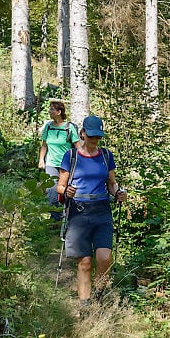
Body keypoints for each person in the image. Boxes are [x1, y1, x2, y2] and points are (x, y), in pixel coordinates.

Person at [55, 115, 126, 305]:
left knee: (105, 258)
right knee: (85, 262)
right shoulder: (71, 156)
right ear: (83, 134)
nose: (95, 139)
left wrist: (118, 192)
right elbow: (60, 186)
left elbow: (111, 183)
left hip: (102, 210)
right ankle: (85, 305)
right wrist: (67, 191)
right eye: (92, 135)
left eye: (98, 136)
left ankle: (97, 296)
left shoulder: (106, 156)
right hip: (78, 211)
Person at [37, 100, 75, 182]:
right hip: (51, 163)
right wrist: (41, 160)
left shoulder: (69, 127)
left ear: (59, 112)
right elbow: (44, 145)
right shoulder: (48, 126)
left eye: (52, 109)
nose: (49, 111)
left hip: (65, 164)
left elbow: (77, 146)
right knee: (51, 187)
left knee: (64, 187)